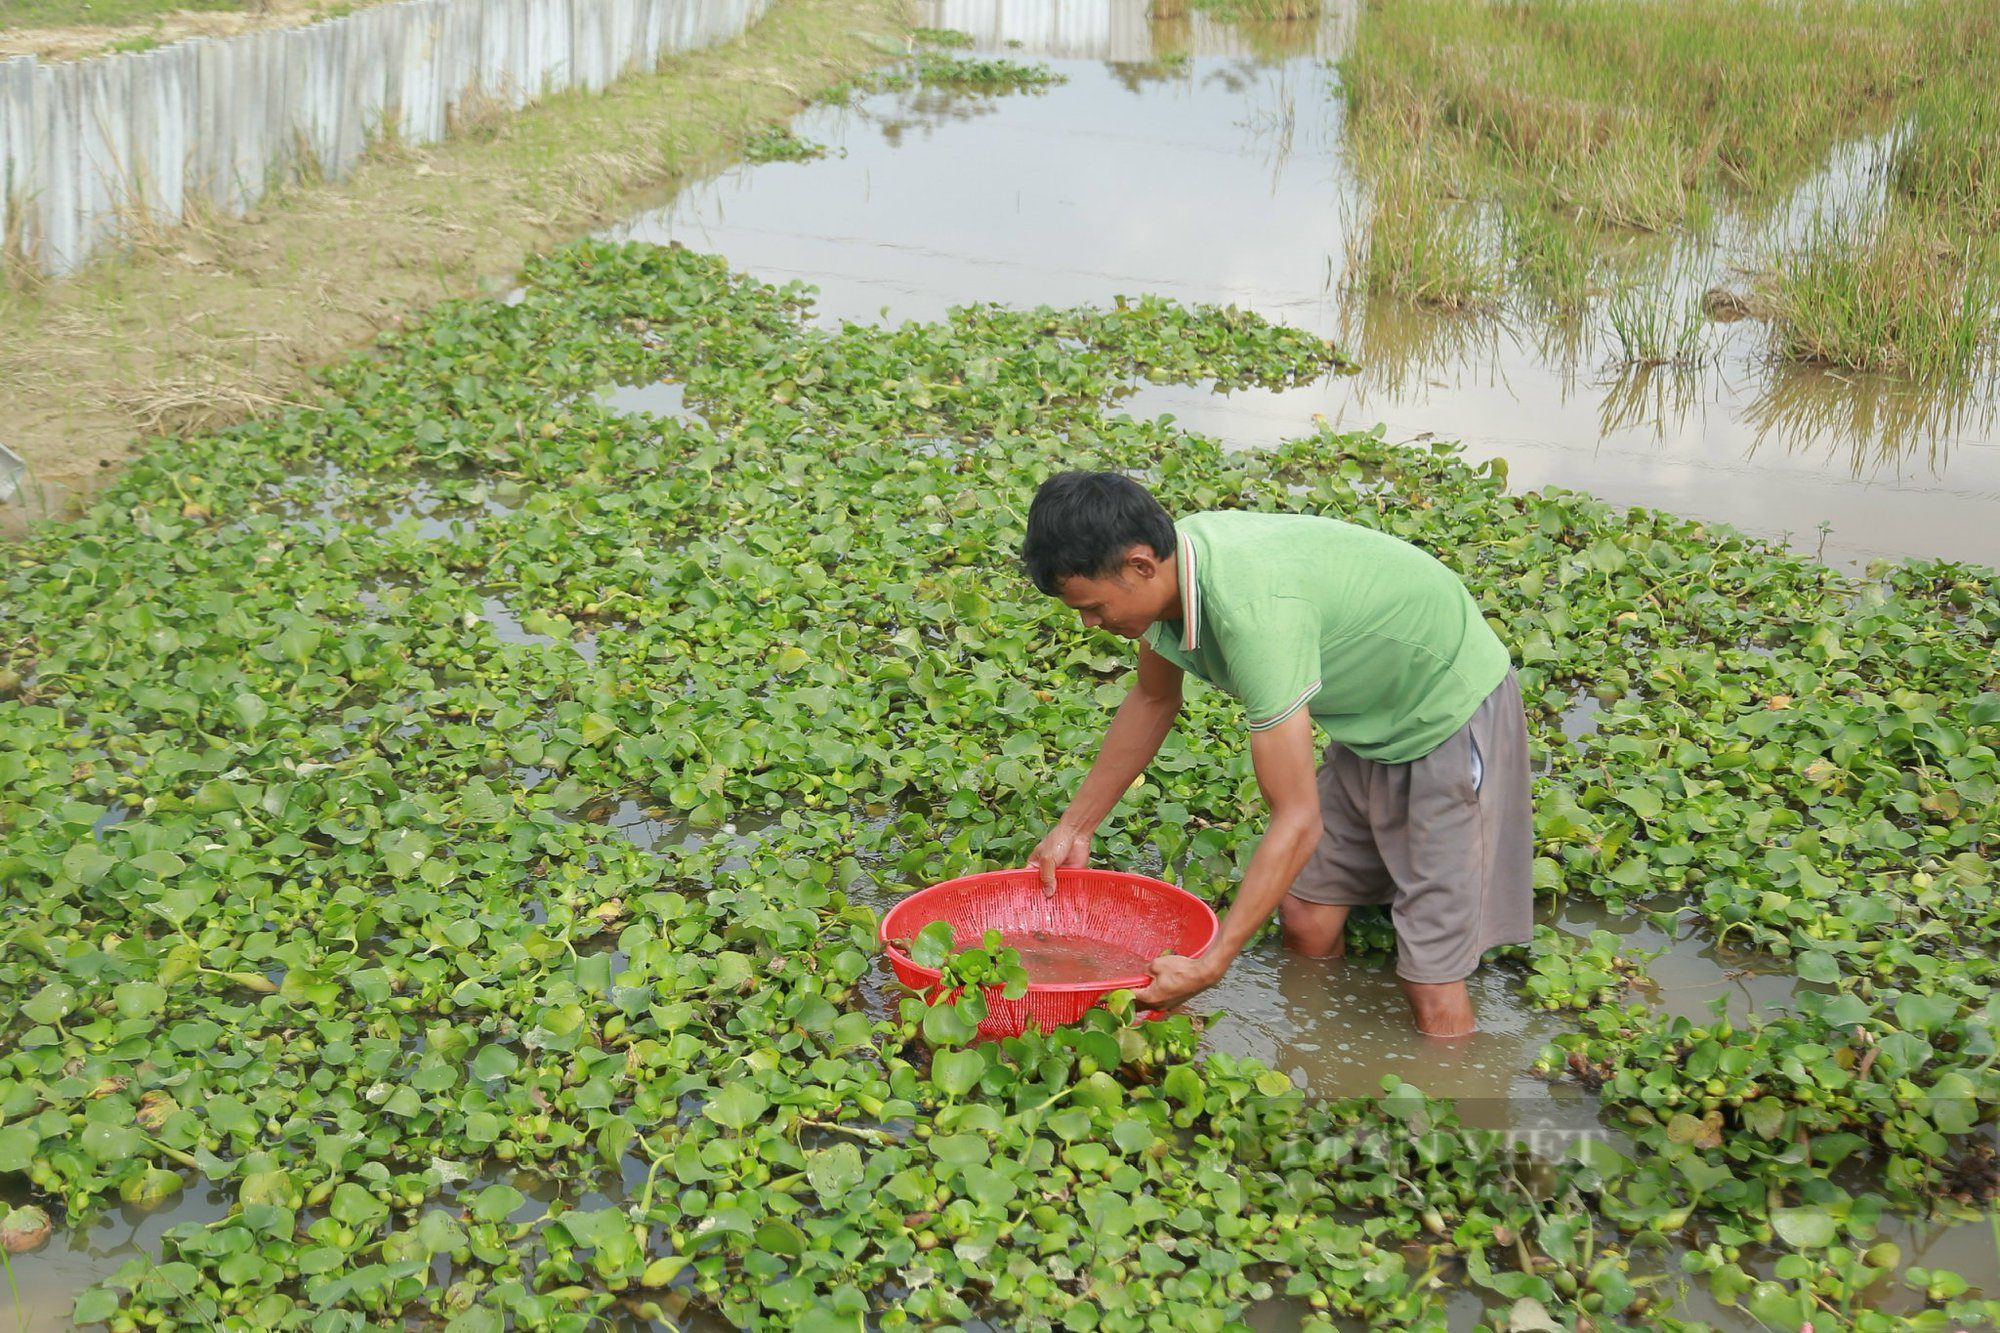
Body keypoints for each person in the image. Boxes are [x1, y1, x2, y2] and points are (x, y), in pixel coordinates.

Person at [1017, 471, 1533, 1038]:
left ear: (1141, 565)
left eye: (1092, 606)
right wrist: (1076, 827)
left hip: (1447, 711)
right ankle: (1313, 1053)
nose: (1090, 623)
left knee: (1431, 980)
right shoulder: (1169, 575)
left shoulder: (1255, 615)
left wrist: (1212, 962)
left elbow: (1297, 818)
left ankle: (1456, 1098)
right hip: (1367, 716)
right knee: (1308, 918)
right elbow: (1152, 697)